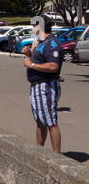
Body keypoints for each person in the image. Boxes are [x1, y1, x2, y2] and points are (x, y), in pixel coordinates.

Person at [24, 14, 63, 153]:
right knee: (40, 121)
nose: (32, 28)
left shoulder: (52, 43)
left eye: (34, 25)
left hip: (45, 86)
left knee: (51, 122)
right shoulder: (41, 42)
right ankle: (39, 153)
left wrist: (31, 64)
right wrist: (29, 54)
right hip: (37, 86)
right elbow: (39, 60)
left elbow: (53, 66)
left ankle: (56, 157)